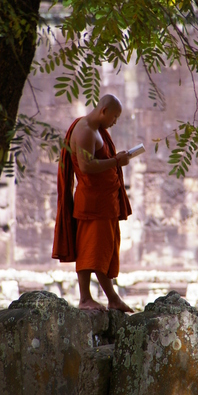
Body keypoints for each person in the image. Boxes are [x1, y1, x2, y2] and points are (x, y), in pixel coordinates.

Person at [52, 94, 134, 312]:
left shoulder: (97, 130)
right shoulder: (86, 130)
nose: (115, 122)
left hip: (103, 201)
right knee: (93, 251)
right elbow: (86, 166)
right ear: (104, 111)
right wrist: (116, 161)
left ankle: (109, 298)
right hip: (93, 202)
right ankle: (89, 298)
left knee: (99, 250)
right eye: (114, 117)